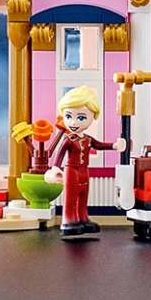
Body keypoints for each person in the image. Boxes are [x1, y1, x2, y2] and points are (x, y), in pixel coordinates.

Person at [45, 83, 125, 241]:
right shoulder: (68, 140)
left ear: (92, 116)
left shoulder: (87, 139)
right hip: (71, 170)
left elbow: (99, 145)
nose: (74, 123)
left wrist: (114, 146)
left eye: (81, 117)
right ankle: (69, 220)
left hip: (84, 170)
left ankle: (83, 218)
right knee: (71, 196)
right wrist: (55, 168)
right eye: (69, 117)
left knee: (83, 195)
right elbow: (59, 154)